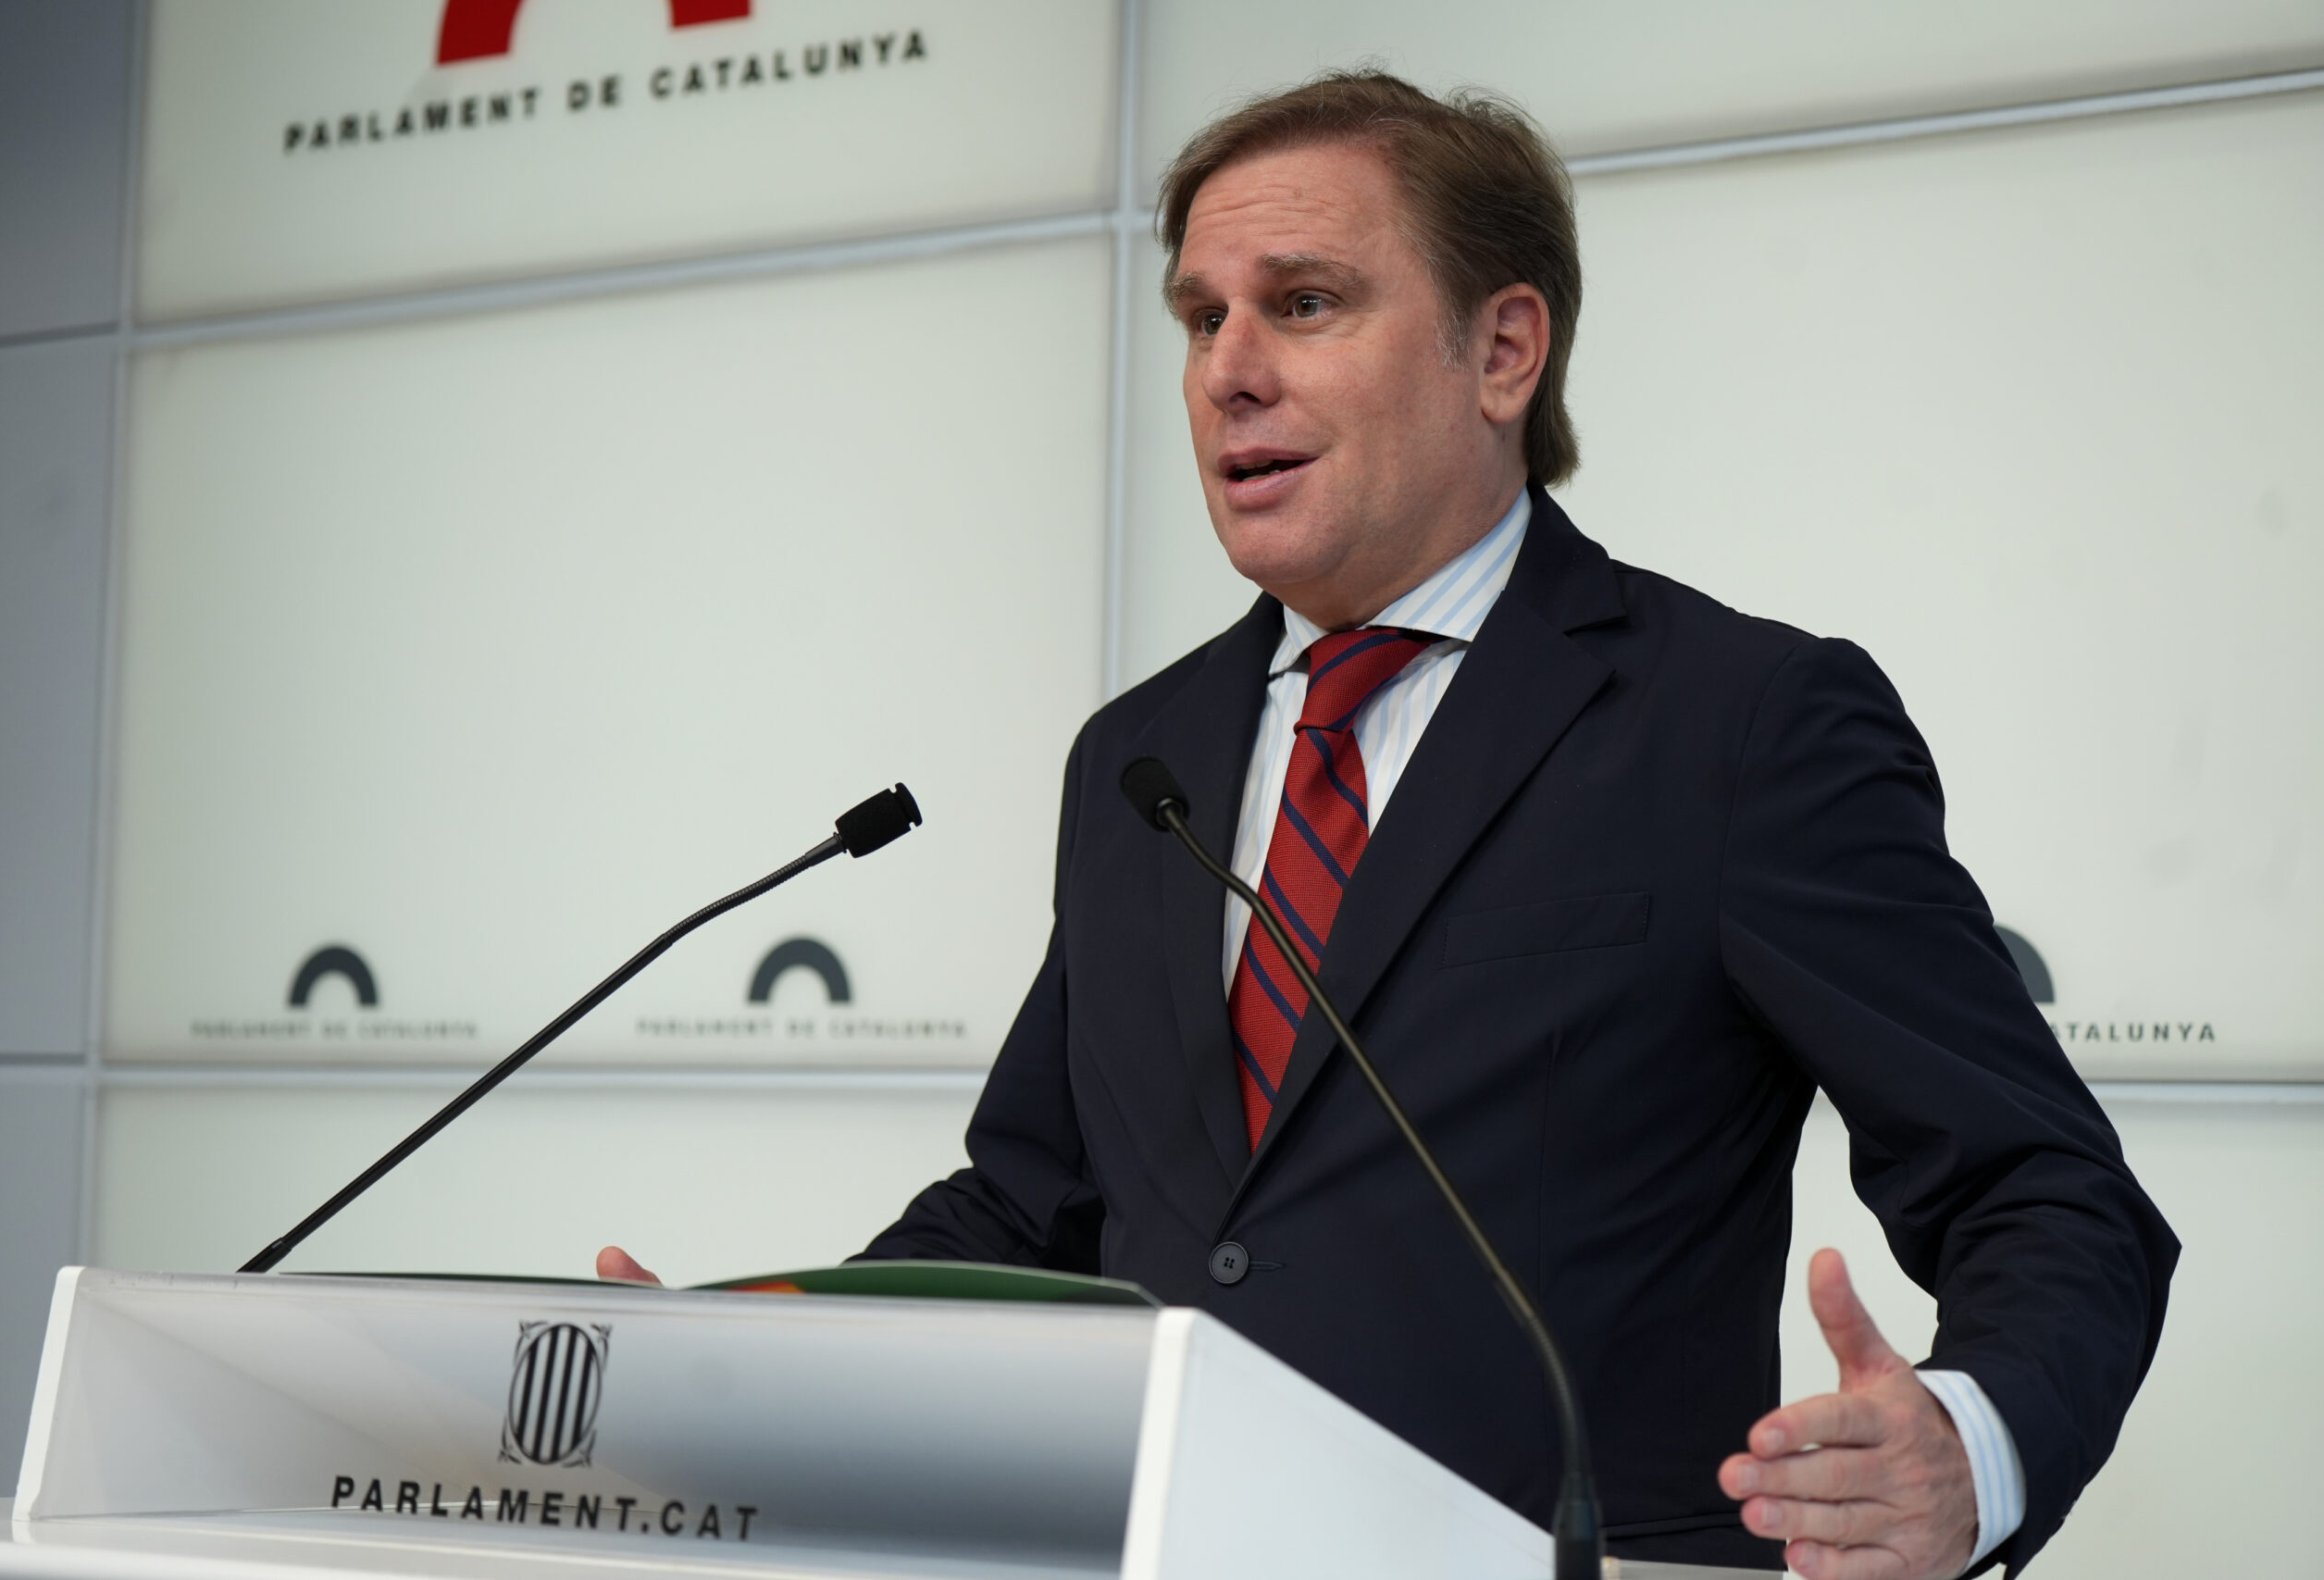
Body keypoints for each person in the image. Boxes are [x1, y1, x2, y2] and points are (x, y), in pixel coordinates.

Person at [603, 72, 2175, 1577]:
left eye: (1303, 303)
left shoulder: (1738, 723)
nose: (1227, 370)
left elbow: (2046, 1190)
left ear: (1502, 352)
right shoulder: (1139, 758)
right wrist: (762, 1371)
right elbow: (1040, 1204)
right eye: (1202, 318)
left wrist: (1969, 1445)